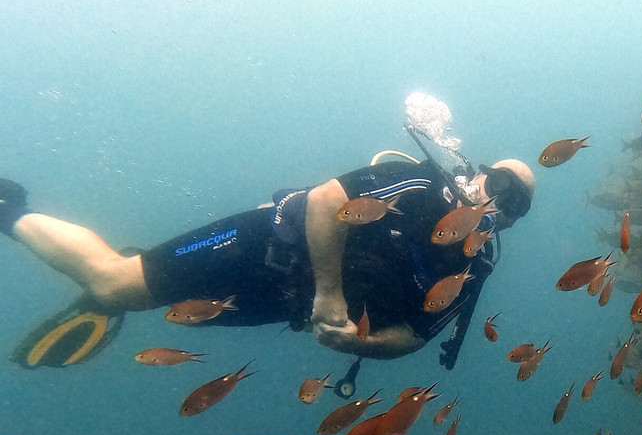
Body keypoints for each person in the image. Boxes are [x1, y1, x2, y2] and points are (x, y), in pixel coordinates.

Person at [0, 152, 535, 371]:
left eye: (516, 203)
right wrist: (330, 294)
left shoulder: (473, 267)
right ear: (478, 172)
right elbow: (328, 201)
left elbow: (417, 336)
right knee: (116, 286)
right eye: (501, 182)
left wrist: (360, 343)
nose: (501, 200)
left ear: (512, 221)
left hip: (281, 304)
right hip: (264, 244)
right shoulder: (421, 182)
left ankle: (140, 272)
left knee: (153, 302)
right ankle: (11, 211)